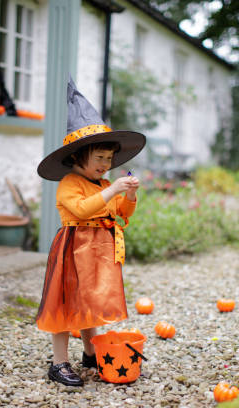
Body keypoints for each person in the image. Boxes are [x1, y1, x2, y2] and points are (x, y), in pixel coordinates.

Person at [36, 77, 146, 386]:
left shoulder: (105, 184)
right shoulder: (70, 184)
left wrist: (130, 194)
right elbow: (83, 210)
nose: (105, 164)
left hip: (98, 251)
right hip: (75, 249)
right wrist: (113, 192)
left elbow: (121, 214)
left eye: (109, 159)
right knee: (67, 304)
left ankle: (89, 353)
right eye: (99, 158)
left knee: (90, 303)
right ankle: (59, 363)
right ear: (77, 156)